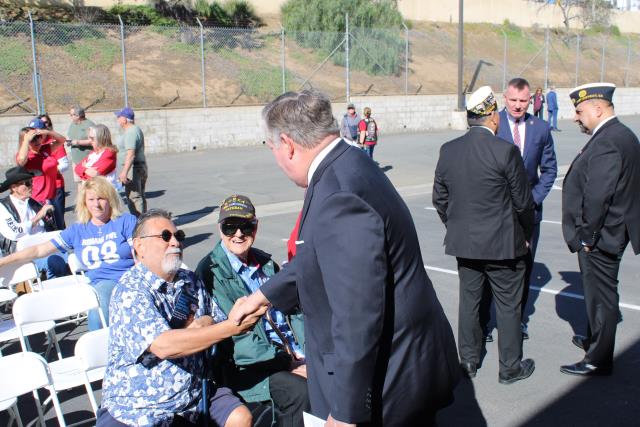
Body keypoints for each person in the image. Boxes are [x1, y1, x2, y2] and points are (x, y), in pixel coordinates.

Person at [230, 90, 460, 426]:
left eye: (272, 148)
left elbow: (357, 311)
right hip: (407, 359)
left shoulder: (338, 194)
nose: (276, 158)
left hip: (390, 379)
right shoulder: (348, 162)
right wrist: (262, 296)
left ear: (288, 145)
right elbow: (319, 255)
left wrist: (345, 412)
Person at [99, 209, 262, 427]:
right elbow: (164, 346)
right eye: (165, 236)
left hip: (194, 394)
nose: (175, 242)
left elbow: (214, 317)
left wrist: (203, 323)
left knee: (240, 418)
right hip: (142, 406)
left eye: (179, 236)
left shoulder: (189, 280)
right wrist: (230, 327)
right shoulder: (131, 290)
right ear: (139, 246)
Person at [433, 86, 536, 384]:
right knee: (508, 306)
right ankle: (509, 367)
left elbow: (440, 199)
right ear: (492, 116)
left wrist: (456, 227)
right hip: (504, 245)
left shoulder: (449, 150)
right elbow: (523, 203)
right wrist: (526, 234)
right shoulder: (506, 151)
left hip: (465, 244)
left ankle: (468, 361)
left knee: (470, 301)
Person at [195, 195, 309, 427]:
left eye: (246, 226)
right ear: (220, 229)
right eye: (230, 227)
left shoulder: (266, 264)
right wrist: (287, 362)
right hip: (252, 366)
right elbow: (238, 340)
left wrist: (309, 353)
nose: (238, 234)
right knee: (300, 391)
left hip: (291, 353)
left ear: (256, 227)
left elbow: (295, 313)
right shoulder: (211, 273)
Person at [560, 83, 640, 376]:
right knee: (599, 294)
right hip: (612, 231)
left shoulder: (608, 140)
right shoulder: (620, 134)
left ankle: (598, 358)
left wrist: (588, 236)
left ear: (597, 109)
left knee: (601, 296)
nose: (576, 117)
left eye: (579, 111)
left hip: (603, 235)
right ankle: (596, 340)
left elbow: (598, 195)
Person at [0, 176, 136, 331]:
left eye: (101, 198)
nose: (96, 204)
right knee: (95, 299)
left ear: (110, 199)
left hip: (125, 279)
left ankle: (100, 341)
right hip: (96, 283)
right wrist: (4, 261)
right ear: (84, 202)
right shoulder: (78, 230)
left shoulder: (126, 221)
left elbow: (142, 254)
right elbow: (39, 250)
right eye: (91, 199)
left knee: (98, 304)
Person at [482, 77, 558, 341]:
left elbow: (549, 170)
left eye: (523, 101)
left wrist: (532, 200)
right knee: (491, 267)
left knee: (524, 269)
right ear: (504, 98)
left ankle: (518, 321)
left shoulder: (541, 128)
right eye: (513, 100)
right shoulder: (493, 125)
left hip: (528, 215)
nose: (517, 105)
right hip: (496, 212)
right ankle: (484, 322)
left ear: (531, 100)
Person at [0, 167, 67, 279]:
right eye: (27, 183)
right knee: (55, 262)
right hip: (23, 254)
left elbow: (50, 229)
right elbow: (15, 232)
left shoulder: (33, 203)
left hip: (46, 247)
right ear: (14, 187)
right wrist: (38, 216)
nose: (31, 186)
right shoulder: (3, 207)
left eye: (31, 182)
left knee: (74, 256)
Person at [15, 119, 66, 208]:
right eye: (33, 139)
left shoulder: (44, 149)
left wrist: (48, 132)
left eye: (38, 137)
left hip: (54, 195)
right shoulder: (26, 156)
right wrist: (26, 140)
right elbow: (21, 160)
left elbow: (62, 140)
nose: (37, 141)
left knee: (59, 217)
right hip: (38, 198)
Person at [115, 107, 147, 216]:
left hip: (133, 168)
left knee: (134, 197)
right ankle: (143, 220)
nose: (117, 119)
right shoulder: (134, 130)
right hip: (138, 166)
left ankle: (139, 222)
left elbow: (131, 154)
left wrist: (124, 172)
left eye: (119, 117)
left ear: (124, 119)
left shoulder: (131, 132)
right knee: (139, 196)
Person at [40, 113, 69, 229]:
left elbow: (64, 165)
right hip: (39, 188)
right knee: (43, 220)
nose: (43, 126)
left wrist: (47, 171)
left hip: (55, 186)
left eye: (46, 123)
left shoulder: (54, 143)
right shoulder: (34, 144)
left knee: (58, 219)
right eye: (41, 123)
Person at [66, 105, 95, 190]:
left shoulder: (89, 125)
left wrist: (78, 142)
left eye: (71, 115)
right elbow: (70, 136)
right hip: (76, 160)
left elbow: (93, 141)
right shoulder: (73, 124)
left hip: (87, 161)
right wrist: (69, 141)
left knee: (88, 184)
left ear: (78, 116)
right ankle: (80, 198)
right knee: (79, 183)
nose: (70, 116)